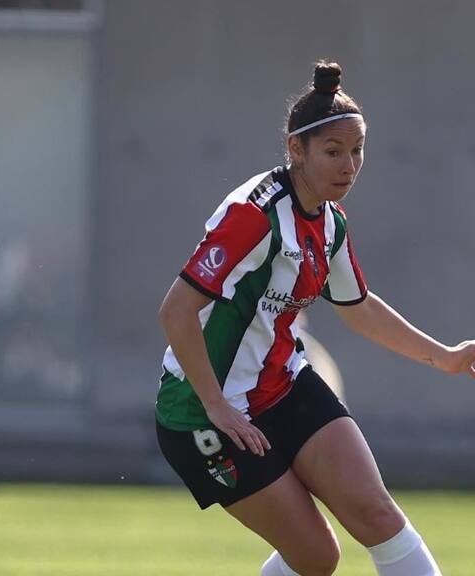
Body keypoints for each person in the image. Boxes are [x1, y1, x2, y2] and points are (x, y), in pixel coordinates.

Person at [155, 60, 475, 576]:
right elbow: (175, 312)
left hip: (282, 385)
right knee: (318, 557)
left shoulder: (329, 223)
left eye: (357, 151)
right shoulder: (254, 216)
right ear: (295, 149)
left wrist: (448, 358)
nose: (348, 165)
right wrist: (215, 404)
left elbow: (360, 308)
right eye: (333, 151)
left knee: (376, 515)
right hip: (199, 413)